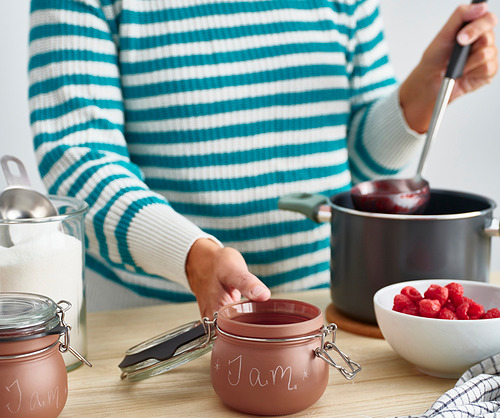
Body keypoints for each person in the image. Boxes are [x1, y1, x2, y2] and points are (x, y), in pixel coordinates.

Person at [28, 1, 497, 318]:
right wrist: (194, 259)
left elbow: (364, 174)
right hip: (159, 320)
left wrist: (421, 98)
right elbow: (79, 158)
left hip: (321, 310)